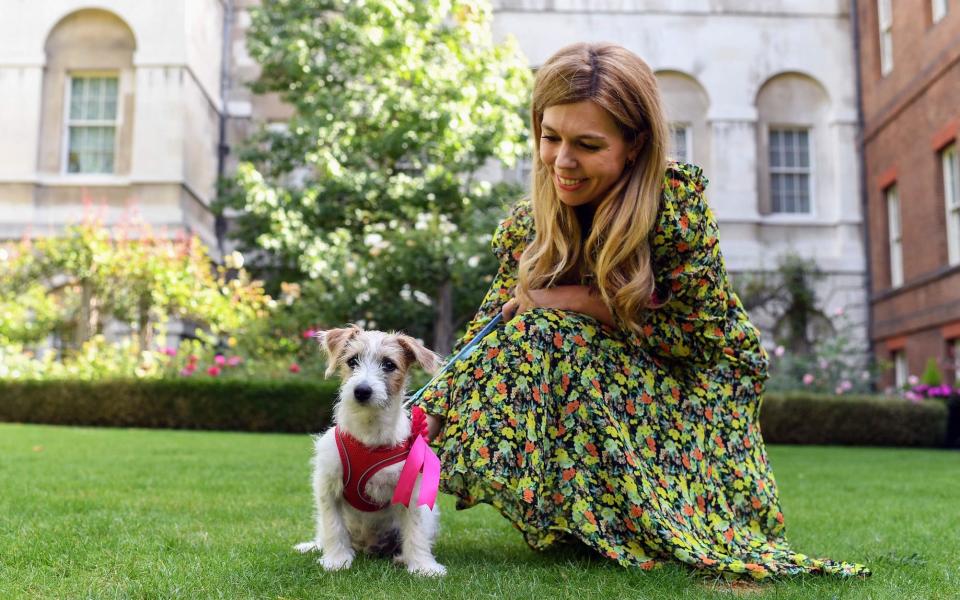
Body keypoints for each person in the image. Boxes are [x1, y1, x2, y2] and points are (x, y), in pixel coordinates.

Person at [417, 42, 868, 579]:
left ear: (634, 145)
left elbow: (692, 339)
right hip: (610, 367)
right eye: (550, 136)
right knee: (531, 337)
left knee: (549, 331)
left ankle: (650, 515)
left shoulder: (675, 209)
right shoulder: (533, 223)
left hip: (699, 388)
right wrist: (415, 428)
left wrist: (573, 299)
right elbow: (489, 332)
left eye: (587, 144)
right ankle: (594, 518)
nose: (563, 161)